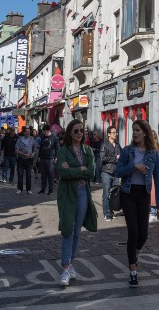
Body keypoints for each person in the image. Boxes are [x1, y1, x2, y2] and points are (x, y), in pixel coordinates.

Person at [114, 119, 159, 287]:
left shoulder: (153, 154)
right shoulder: (127, 151)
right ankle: (133, 271)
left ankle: (134, 254)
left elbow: (158, 177)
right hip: (128, 193)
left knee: (143, 235)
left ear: (145, 133)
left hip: (143, 194)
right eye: (133, 130)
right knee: (133, 232)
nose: (135, 133)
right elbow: (117, 171)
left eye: (138, 130)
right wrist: (133, 166)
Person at [57, 119, 98, 287]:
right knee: (68, 228)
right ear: (69, 133)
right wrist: (79, 169)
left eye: (82, 130)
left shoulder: (88, 150)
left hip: (83, 194)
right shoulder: (63, 151)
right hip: (67, 193)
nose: (80, 133)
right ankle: (65, 267)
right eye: (76, 131)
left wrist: (73, 169)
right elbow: (61, 172)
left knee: (77, 231)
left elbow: (91, 172)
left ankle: (71, 263)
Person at [100, 126, 121, 221]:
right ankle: (106, 213)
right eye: (113, 132)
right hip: (107, 172)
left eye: (116, 132)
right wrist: (115, 158)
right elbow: (103, 158)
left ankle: (111, 211)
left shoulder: (117, 145)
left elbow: (121, 156)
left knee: (114, 193)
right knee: (106, 194)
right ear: (108, 134)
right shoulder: (104, 145)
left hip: (116, 172)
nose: (115, 134)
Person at [37, 124, 59, 195]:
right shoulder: (42, 137)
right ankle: (43, 189)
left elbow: (57, 148)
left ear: (49, 130)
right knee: (43, 175)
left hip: (50, 159)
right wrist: (39, 156)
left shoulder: (54, 138)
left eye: (45, 131)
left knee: (50, 175)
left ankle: (51, 189)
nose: (44, 133)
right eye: (43, 131)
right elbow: (41, 147)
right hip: (43, 158)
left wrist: (56, 157)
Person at [16, 126, 37, 194]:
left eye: (29, 132)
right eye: (27, 132)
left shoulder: (32, 139)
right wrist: (24, 154)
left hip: (29, 159)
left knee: (28, 175)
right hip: (21, 159)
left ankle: (28, 189)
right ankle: (20, 189)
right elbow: (16, 150)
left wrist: (33, 153)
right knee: (20, 174)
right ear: (24, 132)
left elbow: (35, 148)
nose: (28, 133)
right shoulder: (20, 139)